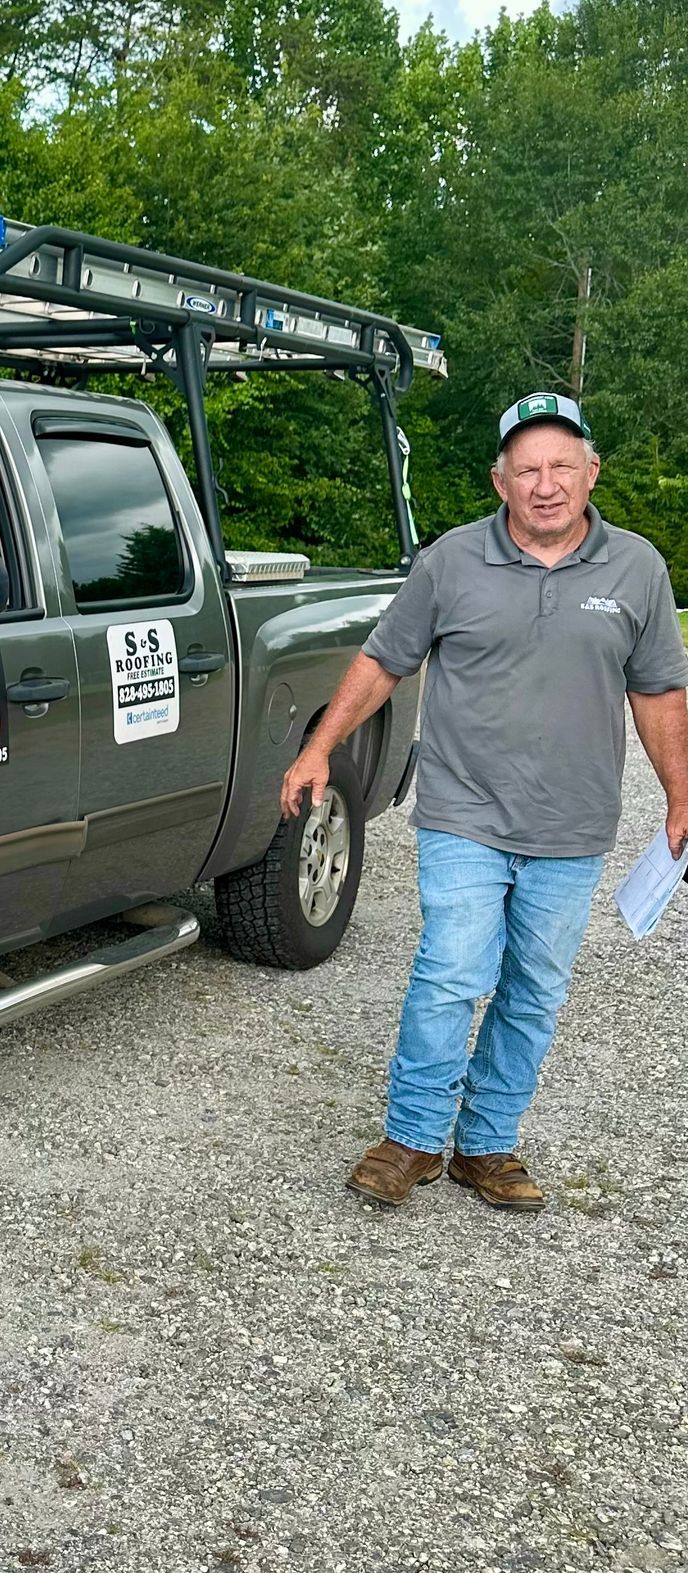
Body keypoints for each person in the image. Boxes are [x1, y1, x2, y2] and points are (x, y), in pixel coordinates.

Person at [280, 392, 688, 1211]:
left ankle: (487, 1144)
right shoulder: (450, 561)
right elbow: (382, 661)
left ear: (591, 471)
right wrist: (319, 747)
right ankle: (413, 1138)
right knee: (452, 971)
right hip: (464, 810)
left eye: (562, 466)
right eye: (527, 469)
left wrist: (680, 796)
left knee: (534, 987)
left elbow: (658, 692)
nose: (546, 484)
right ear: (500, 480)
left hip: (572, 825)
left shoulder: (638, 567)